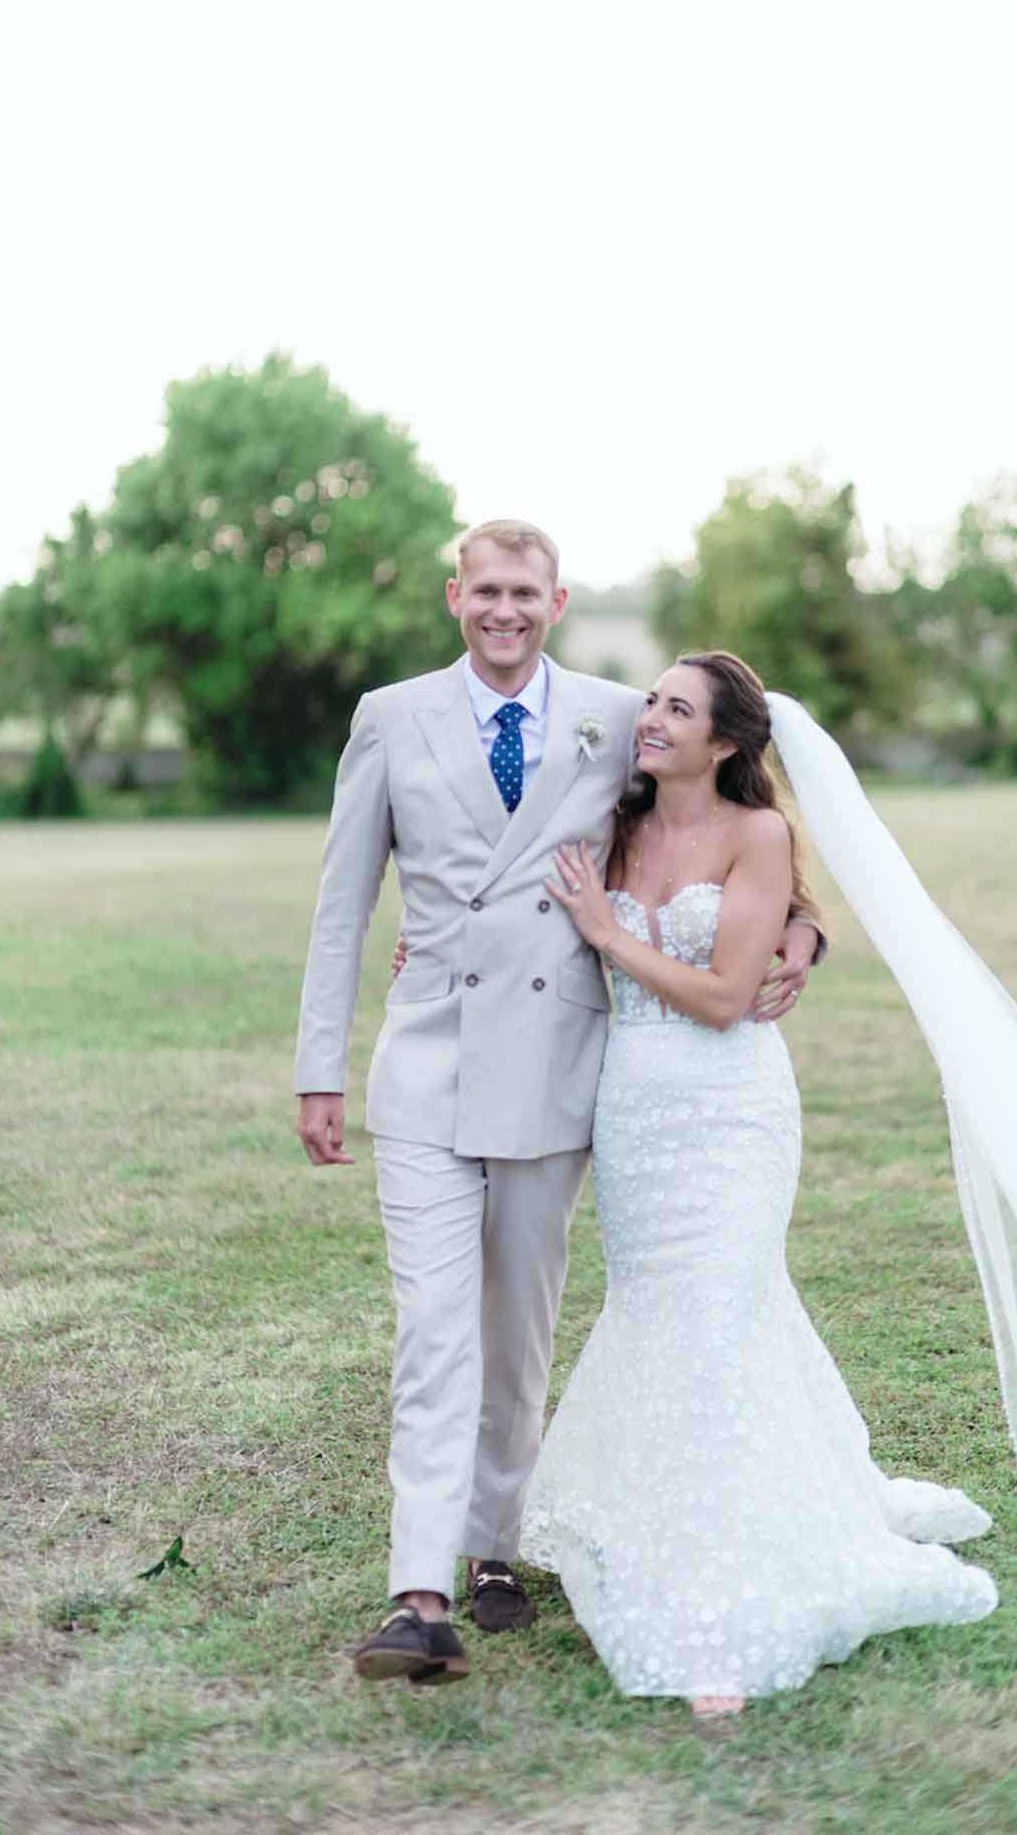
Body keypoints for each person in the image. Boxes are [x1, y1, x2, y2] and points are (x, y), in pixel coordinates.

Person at [294, 523, 823, 1687]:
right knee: (434, 1326)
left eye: (524, 591)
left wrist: (803, 924)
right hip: (426, 1062)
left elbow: (729, 808)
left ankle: (497, 1546)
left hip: (556, 1065)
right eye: (484, 589)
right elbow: (343, 902)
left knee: (518, 1325)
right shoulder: (390, 716)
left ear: (558, 599)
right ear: (454, 595)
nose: (503, 609)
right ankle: (419, 1589)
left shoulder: (616, 713)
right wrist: (318, 1066)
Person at [521, 650, 998, 1716]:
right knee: (671, 1315)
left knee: (715, 1320)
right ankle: (726, 1506)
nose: (650, 717)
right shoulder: (617, 815)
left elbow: (729, 994)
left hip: (732, 1111)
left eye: (676, 707)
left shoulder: (759, 830)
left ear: (727, 742)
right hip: (634, 1113)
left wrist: (618, 931)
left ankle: (713, 1598)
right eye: (650, 698)